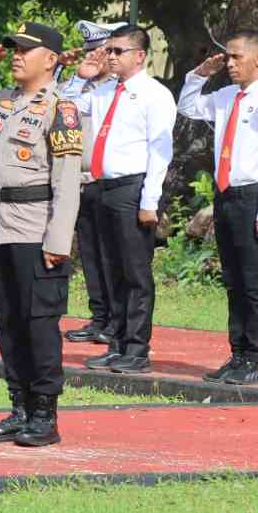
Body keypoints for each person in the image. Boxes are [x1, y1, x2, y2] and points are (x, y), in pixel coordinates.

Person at [0, 22, 81, 447]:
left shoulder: (59, 109)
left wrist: (58, 240)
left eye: (26, 50)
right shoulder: (3, 101)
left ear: (50, 59)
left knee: (39, 324)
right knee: (8, 323)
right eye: (13, 49)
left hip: (36, 229)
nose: (16, 55)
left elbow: (67, 181)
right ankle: (19, 408)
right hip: (1, 229)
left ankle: (45, 414)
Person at [177, 30, 258, 385]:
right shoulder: (226, 96)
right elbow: (187, 106)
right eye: (227, 57)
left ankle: (255, 358)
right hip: (225, 195)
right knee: (232, 279)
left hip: (252, 195)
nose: (230, 64)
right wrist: (200, 74)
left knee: (253, 280)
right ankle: (237, 352)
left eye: (237, 57)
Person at [65, 24, 175, 374]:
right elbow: (64, 105)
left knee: (134, 273)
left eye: (117, 51)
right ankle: (116, 342)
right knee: (110, 270)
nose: (109, 56)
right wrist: (82, 76)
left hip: (133, 188)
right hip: (102, 187)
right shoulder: (103, 92)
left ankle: (137, 348)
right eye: (107, 50)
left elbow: (160, 151)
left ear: (139, 56)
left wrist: (150, 201)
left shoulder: (154, 94)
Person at [61, 20, 123, 345]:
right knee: (89, 254)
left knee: (110, 254)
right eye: (89, 51)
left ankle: (115, 319)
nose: (95, 57)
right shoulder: (77, 86)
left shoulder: (118, 88)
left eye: (100, 50)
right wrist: (78, 77)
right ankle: (99, 317)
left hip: (108, 181)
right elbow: (58, 108)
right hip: (77, 180)